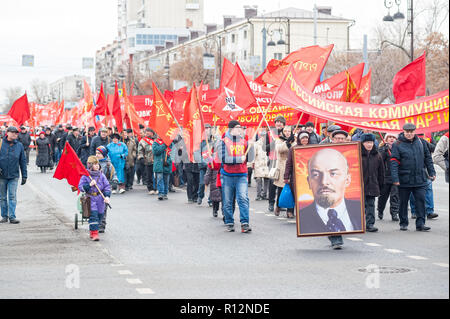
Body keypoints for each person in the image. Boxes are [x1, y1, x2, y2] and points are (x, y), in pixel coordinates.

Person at [300, 148, 363, 242]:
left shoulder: (359, 210)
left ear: (347, 180)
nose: (324, 182)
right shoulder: (302, 218)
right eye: (316, 174)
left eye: (333, 173)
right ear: (309, 181)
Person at [391, 123, 436, 232]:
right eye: (407, 132)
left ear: (414, 132)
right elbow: (394, 162)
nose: (409, 134)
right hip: (404, 179)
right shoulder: (397, 144)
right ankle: (403, 223)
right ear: (404, 132)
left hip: (420, 178)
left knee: (421, 200)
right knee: (403, 202)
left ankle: (420, 224)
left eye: (411, 132)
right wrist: (395, 178)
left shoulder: (422, 142)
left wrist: (432, 172)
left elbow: (428, 159)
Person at [219, 120, 255, 233]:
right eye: (237, 127)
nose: (240, 129)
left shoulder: (244, 141)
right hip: (228, 175)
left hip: (241, 175)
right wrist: (239, 159)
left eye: (241, 127)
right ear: (231, 129)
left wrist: (251, 147)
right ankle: (229, 222)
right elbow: (224, 159)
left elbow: (249, 158)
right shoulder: (223, 142)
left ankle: (245, 223)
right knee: (228, 200)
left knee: (243, 198)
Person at [78, 156, 111, 241]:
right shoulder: (86, 176)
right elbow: (80, 187)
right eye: (95, 164)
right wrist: (89, 185)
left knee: (100, 215)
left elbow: (107, 186)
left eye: (98, 164)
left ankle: (93, 230)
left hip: (100, 198)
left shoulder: (101, 175)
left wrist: (107, 196)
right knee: (94, 215)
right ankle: (95, 233)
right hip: (90, 198)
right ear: (90, 166)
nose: (97, 166)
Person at [0, 127, 27, 224]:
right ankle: (4, 216)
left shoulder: (19, 145)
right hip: (1, 176)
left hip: (14, 175)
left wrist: (24, 175)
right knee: (2, 197)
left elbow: (23, 161)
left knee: (12, 196)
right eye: (13, 133)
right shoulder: (1, 143)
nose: (15, 134)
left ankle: (12, 216)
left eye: (16, 133)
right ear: (7, 133)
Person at [360, 133, 384, 232]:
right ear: (362, 143)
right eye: (367, 142)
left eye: (371, 142)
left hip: (373, 184)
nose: (369, 145)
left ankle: (370, 224)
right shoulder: (358, 154)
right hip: (361, 185)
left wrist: (381, 185)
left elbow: (381, 172)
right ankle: (359, 224)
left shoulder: (377, 155)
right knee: (361, 206)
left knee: (371, 204)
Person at [274, 125, 296, 218]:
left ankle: (290, 211)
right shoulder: (279, 140)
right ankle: (278, 205)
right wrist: (287, 142)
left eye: (289, 131)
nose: (287, 133)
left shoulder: (294, 141)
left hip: (292, 168)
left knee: (292, 190)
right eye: (285, 131)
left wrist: (292, 142)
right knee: (281, 190)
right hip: (282, 167)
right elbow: (279, 149)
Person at [377, 133, 400, 221]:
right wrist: (384, 151)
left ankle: (394, 213)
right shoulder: (382, 148)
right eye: (390, 137)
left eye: (393, 137)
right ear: (386, 139)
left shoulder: (398, 148)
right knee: (383, 196)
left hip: (395, 176)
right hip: (385, 176)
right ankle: (380, 210)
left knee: (395, 196)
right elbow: (379, 161)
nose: (391, 139)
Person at [95, 146, 117, 232]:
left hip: (104, 190)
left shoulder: (108, 165)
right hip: (94, 190)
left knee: (103, 208)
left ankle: (101, 225)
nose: (97, 155)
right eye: (96, 153)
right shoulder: (92, 163)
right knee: (94, 208)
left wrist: (115, 181)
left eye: (99, 153)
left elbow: (114, 174)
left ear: (104, 155)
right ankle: (95, 222)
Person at [267, 116, 286, 212]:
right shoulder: (270, 134)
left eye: (280, 122)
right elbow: (264, 148)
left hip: (282, 161)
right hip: (273, 160)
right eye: (277, 122)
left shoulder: (286, 133)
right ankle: (271, 202)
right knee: (272, 183)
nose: (278, 123)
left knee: (281, 183)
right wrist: (273, 144)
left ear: (284, 124)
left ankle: (279, 204)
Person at [195, 124, 214, 205]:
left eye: (209, 128)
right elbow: (197, 154)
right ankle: (200, 196)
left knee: (213, 184)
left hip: (212, 166)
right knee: (202, 183)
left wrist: (212, 161)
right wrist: (204, 162)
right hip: (203, 166)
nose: (207, 130)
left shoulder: (214, 141)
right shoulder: (200, 142)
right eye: (206, 128)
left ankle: (211, 200)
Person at [138, 128, 156, 194]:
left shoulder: (156, 140)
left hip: (157, 160)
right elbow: (140, 151)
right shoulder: (143, 141)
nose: (147, 133)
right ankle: (150, 188)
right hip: (148, 160)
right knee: (149, 175)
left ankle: (157, 188)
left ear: (152, 132)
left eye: (149, 131)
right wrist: (141, 158)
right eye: (146, 132)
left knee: (157, 175)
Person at [253, 130, 270, 201]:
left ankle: (265, 194)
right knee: (259, 180)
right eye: (262, 136)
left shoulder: (267, 144)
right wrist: (252, 164)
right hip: (258, 164)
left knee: (266, 179)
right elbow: (253, 155)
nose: (264, 137)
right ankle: (258, 195)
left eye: (265, 136)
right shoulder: (256, 144)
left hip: (265, 164)